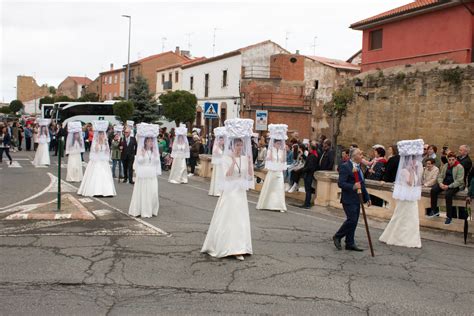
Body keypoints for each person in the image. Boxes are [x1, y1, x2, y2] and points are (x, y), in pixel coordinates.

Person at [201, 118, 254, 261]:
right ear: (233, 145)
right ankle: (225, 245)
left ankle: (240, 247)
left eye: (241, 145)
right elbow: (227, 175)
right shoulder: (227, 158)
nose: (239, 147)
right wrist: (233, 161)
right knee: (229, 217)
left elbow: (248, 175)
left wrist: (249, 163)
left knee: (240, 218)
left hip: (240, 191)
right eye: (237, 145)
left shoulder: (244, 157)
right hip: (230, 191)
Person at [379, 139, 424, 248]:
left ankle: (410, 238)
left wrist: (416, 171)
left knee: (411, 218)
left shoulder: (415, 169)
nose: (414, 162)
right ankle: (398, 237)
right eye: (412, 161)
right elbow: (409, 182)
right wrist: (413, 171)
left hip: (411, 197)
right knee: (402, 216)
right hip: (406, 197)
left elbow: (417, 183)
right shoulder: (404, 171)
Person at [333, 148, 370, 252]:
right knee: (352, 220)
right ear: (354, 156)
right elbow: (341, 183)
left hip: (357, 199)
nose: (362, 156)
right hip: (348, 198)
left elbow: (362, 184)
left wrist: (367, 197)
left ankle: (350, 243)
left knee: (354, 222)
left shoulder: (359, 167)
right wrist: (353, 186)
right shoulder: (345, 167)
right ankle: (337, 236)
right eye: (360, 154)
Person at [129, 123, 162, 218]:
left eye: (152, 141)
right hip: (143, 174)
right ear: (145, 142)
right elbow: (139, 162)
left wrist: (156, 155)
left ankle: (151, 209)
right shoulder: (141, 150)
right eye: (149, 141)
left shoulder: (154, 151)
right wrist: (142, 155)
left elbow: (156, 162)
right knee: (143, 192)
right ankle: (143, 210)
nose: (151, 143)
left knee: (153, 192)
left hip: (151, 174)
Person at [78, 120, 116, 197]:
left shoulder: (105, 142)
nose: (102, 135)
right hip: (97, 160)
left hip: (103, 161)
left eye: (102, 134)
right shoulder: (95, 142)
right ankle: (96, 191)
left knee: (105, 175)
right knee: (97, 174)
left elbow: (107, 151)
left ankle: (107, 191)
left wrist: (105, 143)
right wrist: (99, 143)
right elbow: (95, 150)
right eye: (100, 134)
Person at [257, 124, 288, 212]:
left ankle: (280, 206)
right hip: (272, 171)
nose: (279, 145)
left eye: (280, 143)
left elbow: (282, 161)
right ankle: (267, 203)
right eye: (277, 143)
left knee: (279, 188)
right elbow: (268, 160)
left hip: (279, 172)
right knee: (270, 188)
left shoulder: (282, 151)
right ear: (274, 143)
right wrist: (270, 159)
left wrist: (281, 162)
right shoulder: (270, 150)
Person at [428, 152, 465, 224]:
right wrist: (441, 183)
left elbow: (459, 181)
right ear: (447, 160)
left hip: (455, 185)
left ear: (455, 159)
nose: (451, 161)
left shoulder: (460, 167)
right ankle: (434, 210)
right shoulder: (445, 165)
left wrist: (449, 186)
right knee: (433, 190)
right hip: (445, 183)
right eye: (449, 159)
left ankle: (449, 217)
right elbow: (440, 176)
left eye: (453, 160)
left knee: (448, 195)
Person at [298, 143, 320, 209]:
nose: (308, 149)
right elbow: (308, 160)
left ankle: (307, 203)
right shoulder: (313, 155)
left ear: (311, 149)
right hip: (309, 174)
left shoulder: (313, 156)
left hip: (308, 174)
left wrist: (302, 170)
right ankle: (307, 202)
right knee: (308, 190)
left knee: (308, 190)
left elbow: (309, 166)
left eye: (309, 148)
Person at [208, 127, 226, 197]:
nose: (223, 141)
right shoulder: (216, 147)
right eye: (221, 140)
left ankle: (221, 189)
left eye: (223, 140)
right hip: (218, 164)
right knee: (218, 176)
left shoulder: (223, 147)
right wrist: (218, 145)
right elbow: (216, 153)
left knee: (222, 176)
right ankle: (217, 190)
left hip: (222, 164)